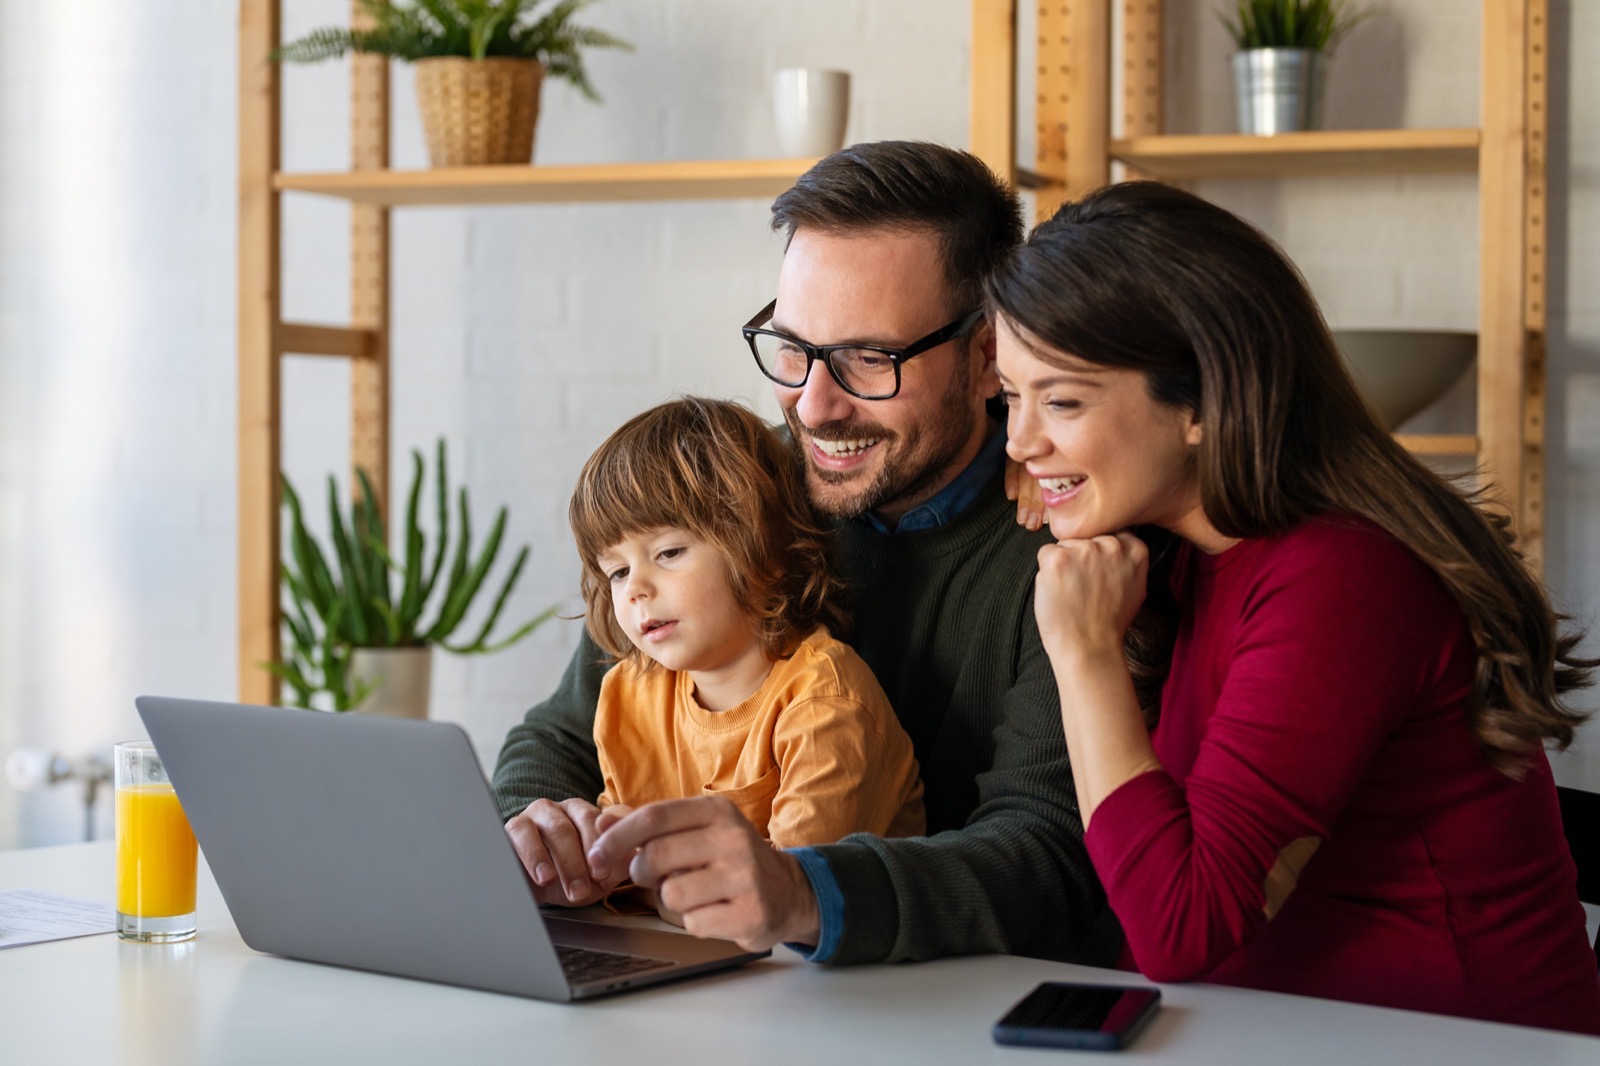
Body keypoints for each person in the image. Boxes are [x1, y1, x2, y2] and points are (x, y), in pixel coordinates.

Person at [986, 179, 1600, 1033]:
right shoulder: (1186, 556)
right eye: (1012, 396)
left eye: (1061, 400)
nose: (1020, 440)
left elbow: (1177, 928)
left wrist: (1086, 654)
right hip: (1267, 1033)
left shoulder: (1342, 577)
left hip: (1463, 1047)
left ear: (1200, 400)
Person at [494, 141, 1118, 966]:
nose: (813, 406)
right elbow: (564, 731)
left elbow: (1049, 856)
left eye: (870, 359)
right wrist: (536, 822)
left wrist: (802, 895)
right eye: (793, 347)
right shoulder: (732, 496)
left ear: (986, 357)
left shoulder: (1070, 546)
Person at [567, 396, 924, 869]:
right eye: (616, 572)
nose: (635, 589)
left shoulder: (827, 705)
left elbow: (791, 894)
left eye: (669, 552)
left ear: (765, 554)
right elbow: (616, 860)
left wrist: (643, 878)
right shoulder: (627, 695)